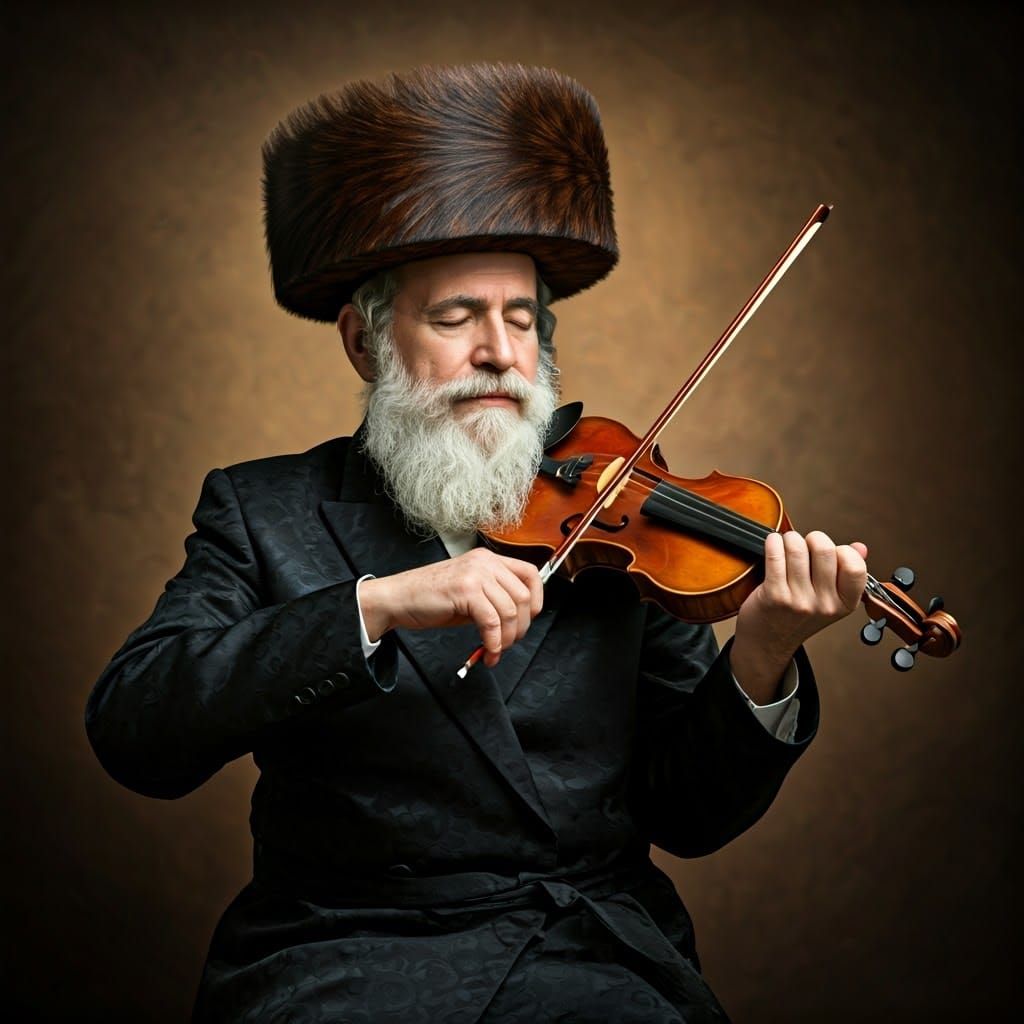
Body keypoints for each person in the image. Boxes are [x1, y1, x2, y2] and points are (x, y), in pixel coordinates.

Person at [85, 63, 867, 1022]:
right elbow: (135, 732)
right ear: (365, 344)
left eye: (522, 319)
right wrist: (374, 607)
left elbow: (687, 817)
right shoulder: (265, 509)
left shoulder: (623, 523)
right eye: (455, 318)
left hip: (586, 947)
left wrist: (762, 655)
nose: (499, 351)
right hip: (342, 953)